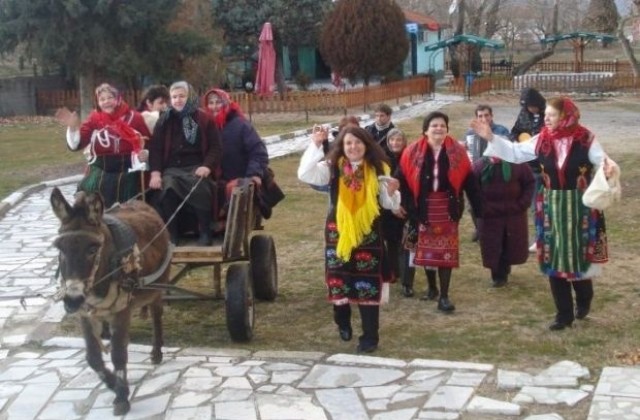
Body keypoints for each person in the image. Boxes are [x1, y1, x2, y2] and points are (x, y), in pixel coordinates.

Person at [472, 96, 619, 330]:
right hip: (551, 205)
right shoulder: (542, 139)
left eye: (551, 115)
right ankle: (563, 315)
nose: (546, 119)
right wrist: (491, 137)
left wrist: (609, 168)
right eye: (546, 115)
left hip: (580, 207)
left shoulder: (586, 139)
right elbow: (515, 152)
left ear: (565, 116)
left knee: (578, 257)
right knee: (553, 257)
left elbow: (603, 161)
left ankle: (584, 297)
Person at [297, 126, 400, 353]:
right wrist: (315, 144)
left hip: (368, 233)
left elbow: (388, 204)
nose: (353, 147)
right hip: (338, 232)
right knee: (339, 279)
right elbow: (305, 173)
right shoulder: (332, 168)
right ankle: (342, 319)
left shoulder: (378, 168)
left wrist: (392, 192)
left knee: (367, 283)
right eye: (348, 143)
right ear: (342, 147)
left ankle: (370, 337)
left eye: (358, 142)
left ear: (367, 144)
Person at [396, 111, 478, 313]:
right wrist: (405, 204)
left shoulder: (457, 152)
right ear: (425, 130)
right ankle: (432, 287)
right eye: (434, 125)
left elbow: (469, 180)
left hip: (447, 208)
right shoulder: (411, 152)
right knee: (426, 250)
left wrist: (480, 207)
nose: (439, 128)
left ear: (447, 129)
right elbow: (402, 180)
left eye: (442, 125)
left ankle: (444, 296)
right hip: (422, 207)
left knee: (446, 253)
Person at [148, 81, 222, 246]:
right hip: (172, 169)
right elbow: (156, 150)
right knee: (167, 188)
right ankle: (172, 235)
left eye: (182, 96)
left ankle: (204, 231)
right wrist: (155, 173)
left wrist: (207, 166)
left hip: (196, 166)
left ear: (190, 97)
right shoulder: (164, 120)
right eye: (174, 97)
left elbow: (216, 148)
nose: (178, 100)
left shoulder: (204, 119)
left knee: (200, 186)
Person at [55, 83, 151, 208]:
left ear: (117, 99)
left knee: (124, 188)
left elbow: (149, 143)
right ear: (98, 102)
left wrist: (145, 154)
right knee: (88, 189)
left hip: (127, 166)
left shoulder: (134, 118)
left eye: (110, 98)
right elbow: (77, 144)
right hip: (100, 167)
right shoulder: (94, 118)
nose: (106, 102)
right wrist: (73, 128)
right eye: (102, 99)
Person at [202, 88, 269, 216]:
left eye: (218, 102)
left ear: (226, 103)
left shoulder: (241, 126)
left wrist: (253, 174)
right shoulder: (204, 127)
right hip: (214, 180)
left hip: (237, 177)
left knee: (235, 188)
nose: (214, 107)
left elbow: (258, 152)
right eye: (211, 103)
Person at [471, 154, 535, 287]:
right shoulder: (479, 167)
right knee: (493, 244)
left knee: (510, 242)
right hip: (490, 215)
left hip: (513, 213)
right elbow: (473, 189)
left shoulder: (518, 164)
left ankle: (505, 268)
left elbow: (529, 182)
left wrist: (522, 204)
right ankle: (497, 275)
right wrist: (482, 208)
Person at [464, 104, 511, 241]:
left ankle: (493, 231)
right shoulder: (470, 133)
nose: (484, 118)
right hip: (475, 173)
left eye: (486, 115)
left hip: (495, 172)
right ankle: (479, 228)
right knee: (472, 206)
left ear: (492, 116)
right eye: (480, 116)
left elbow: (508, 148)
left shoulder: (501, 130)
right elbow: (467, 150)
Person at [511, 88, 546, 253]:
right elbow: (515, 131)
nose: (530, 109)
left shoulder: (548, 115)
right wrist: (517, 141)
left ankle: (548, 238)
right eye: (527, 107)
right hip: (529, 166)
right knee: (535, 205)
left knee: (548, 205)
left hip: (546, 165)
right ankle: (540, 238)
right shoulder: (523, 114)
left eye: (532, 106)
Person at [382, 128, 415, 298]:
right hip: (388, 208)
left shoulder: (410, 157)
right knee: (391, 242)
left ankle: (406, 279)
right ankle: (393, 271)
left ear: (404, 142)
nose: (395, 143)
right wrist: (392, 205)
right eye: (392, 140)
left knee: (405, 243)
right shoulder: (383, 160)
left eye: (398, 140)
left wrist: (402, 204)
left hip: (406, 206)